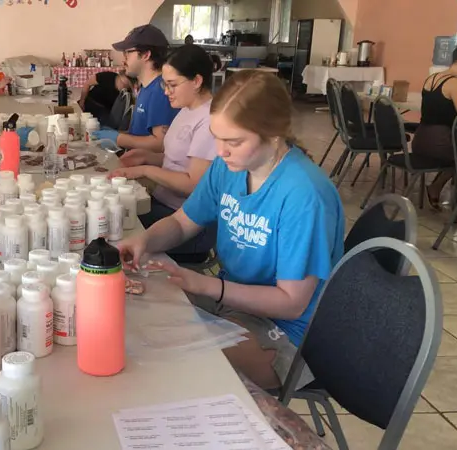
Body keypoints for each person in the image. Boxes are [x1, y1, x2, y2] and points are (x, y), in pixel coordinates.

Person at [118, 71, 344, 390]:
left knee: (177, 366)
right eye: (216, 138)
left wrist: (207, 286)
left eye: (234, 142)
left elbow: (291, 302)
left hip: (289, 334)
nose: (220, 152)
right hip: (235, 302)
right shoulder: (229, 168)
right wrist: (144, 239)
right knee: (140, 320)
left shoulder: (304, 195)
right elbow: (183, 222)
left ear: (274, 134)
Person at [110, 45, 217, 263]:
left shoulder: (209, 120)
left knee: (114, 230)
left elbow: (193, 183)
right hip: (163, 204)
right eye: (164, 84)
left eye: (172, 85)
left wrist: (145, 170)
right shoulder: (186, 110)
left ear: (196, 81)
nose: (166, 92)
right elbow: (177, 160)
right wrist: (146, 157)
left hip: (186, 221)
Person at [91, 24, 179, 152]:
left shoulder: (161, 91)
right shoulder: (146, 87)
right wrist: (118, 134)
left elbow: (161, 143)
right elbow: (141, 134)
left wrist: (119, 138)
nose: (123, 59)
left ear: (145, 55)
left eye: (127, 52)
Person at [415, 47, 457, 209]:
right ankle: (443, 191)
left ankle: (436, 188)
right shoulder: (455, 83)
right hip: (440, 142)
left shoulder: (432, 78)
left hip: (420, 139)